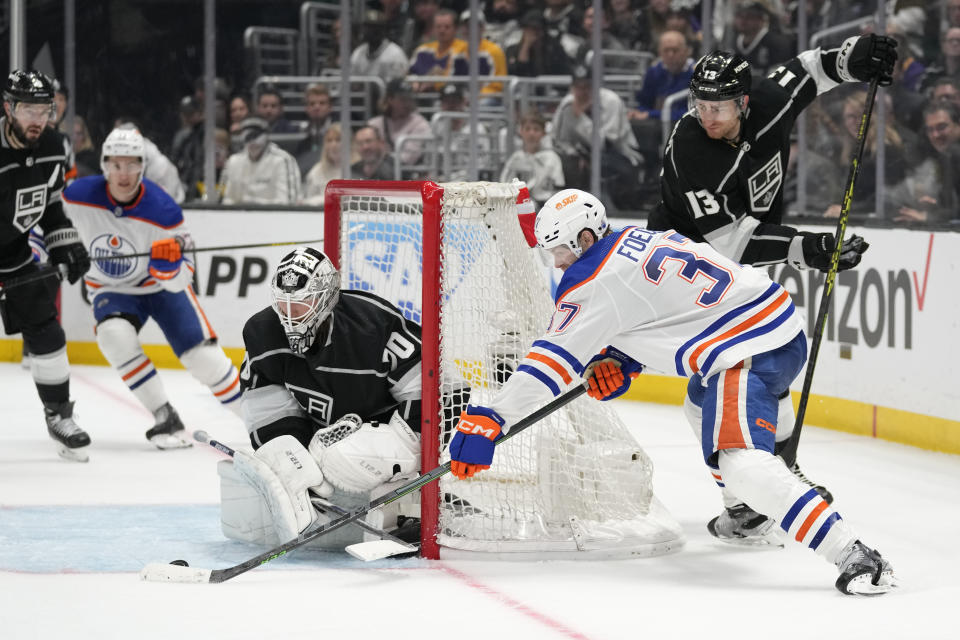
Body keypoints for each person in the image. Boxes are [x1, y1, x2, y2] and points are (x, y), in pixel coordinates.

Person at [449, 188, 897, 595]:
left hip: (748, 349)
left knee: (739, 460)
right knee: (700, 405)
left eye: (561, 251)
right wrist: (624, 360)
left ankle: (854, 554)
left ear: (585, 238)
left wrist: (494, 417)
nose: (557, 263)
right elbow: (667, 310)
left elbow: (551, 361)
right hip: (773, 327)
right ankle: (746, 513)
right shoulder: (631, 243)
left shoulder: (593, 278)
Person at [648, 35, 897, 537]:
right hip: (688, 269)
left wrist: (855, 57)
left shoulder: (769, 100)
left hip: (739, 269)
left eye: (718, 106)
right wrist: (809, 249)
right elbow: (732, 242)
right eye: (700, 104)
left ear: (744, 102)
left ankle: (772, 476)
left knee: (767, 360)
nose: (708, 116)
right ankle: (744, 497)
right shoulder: (691, 147)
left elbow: (810, 68)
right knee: (720, 380)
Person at [220, 246, 423, 547]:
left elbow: (432, 391)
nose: (290, 316)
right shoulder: (263, 333)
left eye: (301, 304)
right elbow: (267, 412)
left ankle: (410, 503)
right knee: (283, 459)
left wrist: (407, 454)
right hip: (331, 433)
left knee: (337, 455)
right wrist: (294, 460)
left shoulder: (371, 327)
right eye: (283, 305)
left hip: (401, 426)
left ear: (327, 297)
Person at [62, 127, 241, 449]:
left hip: (160, 290)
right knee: (113, 336)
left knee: (204, 360)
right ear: (104, 165)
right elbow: (47, 222)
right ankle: (164, 414)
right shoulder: (77, 196)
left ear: (143, 166)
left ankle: (262, 421)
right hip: (111, 288)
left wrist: (168, 270)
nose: (124, 173)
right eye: (116, 165)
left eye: (131, 164)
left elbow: (184, 276)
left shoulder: (164, 211)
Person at [0, 70, 91, 461]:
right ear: (8, 108)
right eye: (28, 109)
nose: (38, 119)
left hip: (15, 254)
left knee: (46, 329)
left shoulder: (54, 144)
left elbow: (50, 203)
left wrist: (64, 242)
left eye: (44, 109)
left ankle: (58, 414)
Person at [221, 117, 302, 205]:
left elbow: (289, 203)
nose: (253, 141)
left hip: (275, 217)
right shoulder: (234, 161)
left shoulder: (283, 160)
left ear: (267, 135)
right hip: (239, 216)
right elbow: (225, 200)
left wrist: (252, 203)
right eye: (248, 136)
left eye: (256, 135)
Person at [499, 110, 565, 207]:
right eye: (527, 129)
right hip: (516, 208)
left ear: (543, 133)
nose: (531, 133)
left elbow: (558, 190)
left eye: (536, 129)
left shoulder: (552, 158)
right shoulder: (515, 159)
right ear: (521, 131)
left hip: (544, 208)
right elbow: (503, 187)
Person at [302, 123, 352, 205]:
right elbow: (308, 201)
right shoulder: (316, 171)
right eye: (329, 140)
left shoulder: (357, 169)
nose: (333, 145)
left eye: (338, 140)